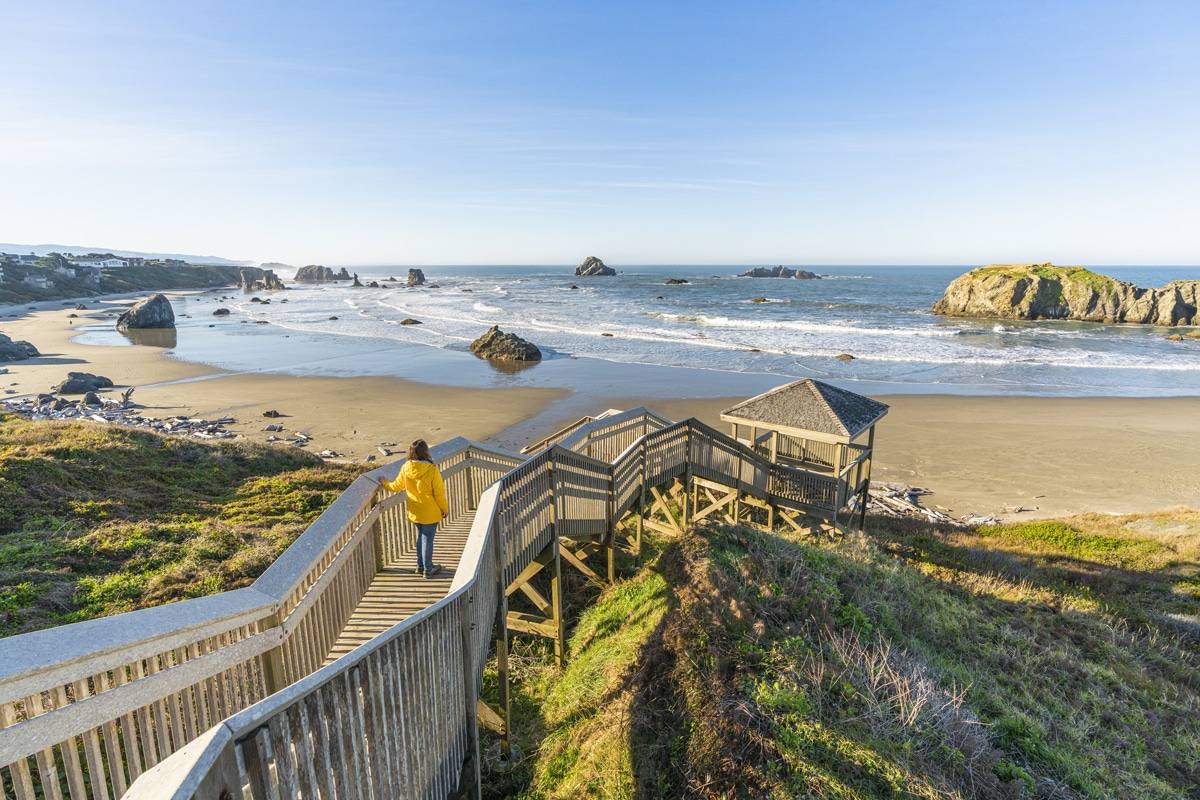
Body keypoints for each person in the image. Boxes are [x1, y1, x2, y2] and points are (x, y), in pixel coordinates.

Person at [374, 439, 448, 577]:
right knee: (427, 539)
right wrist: (445, 509)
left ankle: (420, 566)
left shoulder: (406, 467)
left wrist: (385, 484)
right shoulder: (431, 469)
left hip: (415, 510)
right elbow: (439, 493)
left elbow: (396, 486)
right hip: (430, 511)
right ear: (426, 452)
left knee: (421, 537)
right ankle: (428, 568)